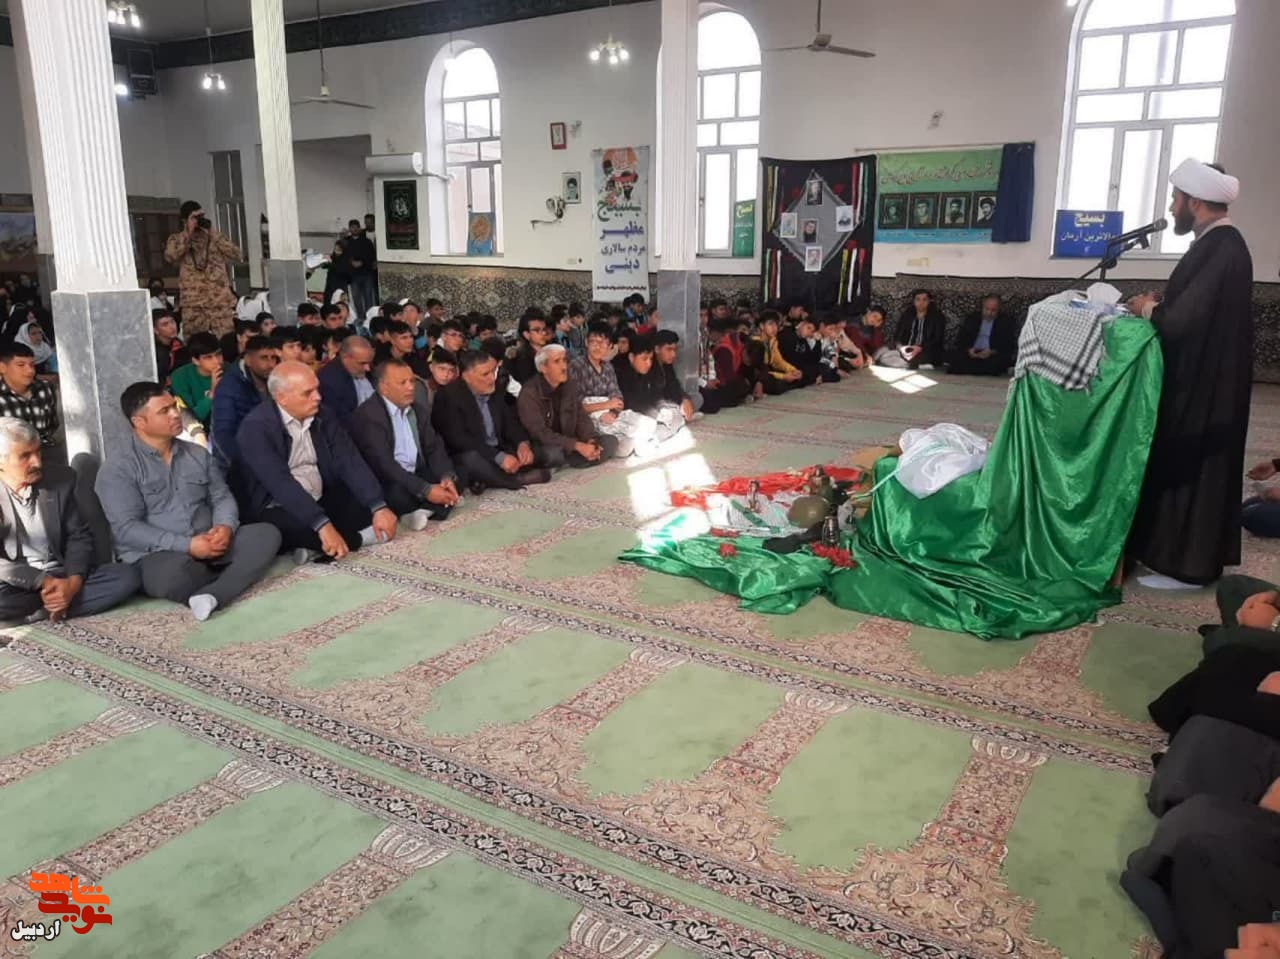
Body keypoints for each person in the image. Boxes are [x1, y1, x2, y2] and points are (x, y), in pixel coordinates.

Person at [1125, 160, 1254, 589]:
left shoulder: (1220, 247)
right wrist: (1162, 303)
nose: (1171, 207)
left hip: (1206, 387)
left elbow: (1183, 322)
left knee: (1194, 468)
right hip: (1206, 378)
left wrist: (1147, 308)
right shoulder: (1218, 244)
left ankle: (1188, 568)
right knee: (1191, 466)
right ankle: (1178, 558)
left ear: (1194, 202)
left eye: (1175, 199)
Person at [96, 384, 280, 621]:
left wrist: (224, 527)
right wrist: (188, 545)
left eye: (174, 406)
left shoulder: (197, 453)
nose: (175, 414)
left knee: (266, 534)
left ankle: (214, 593)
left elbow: (221, 497)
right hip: (159, 554)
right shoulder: (118, 468)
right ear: (139, 422)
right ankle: (229, 579)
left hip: (210, 540)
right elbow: (127, 528)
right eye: (164, 411)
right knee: (174, 576)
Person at [236, 361, 397, 562]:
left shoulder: (323, 414)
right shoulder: (255, 428)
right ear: (282, 397)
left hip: (320, 494)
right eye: (308, 393)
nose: (318, 397)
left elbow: (348, 459)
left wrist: (378, 506)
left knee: (375, 500)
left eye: (317, 389)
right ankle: (358, 539)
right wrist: (321, 524)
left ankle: (313, 547)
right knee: (294, 528)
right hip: (276, 504)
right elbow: (280, 483)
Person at [0, 417, 138, 624]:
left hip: (61, 572)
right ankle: (53, 605)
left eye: (38, 452)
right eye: (25, 456)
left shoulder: (61, 478)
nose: (37, 462)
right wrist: (41, 581)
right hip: (14, 581)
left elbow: (78, 536)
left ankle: (46, 607)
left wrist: (72, 584)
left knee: (127, 576)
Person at [349, 358, 460, 529]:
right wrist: (426, 490)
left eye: (412, 381)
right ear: (384, 387)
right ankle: (429, 507)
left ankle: (423, 510)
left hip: (416, 472)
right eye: (402, 383)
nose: (410, 387)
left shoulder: (417, 409)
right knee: (398, 495)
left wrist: (445, 477)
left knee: (457, 473)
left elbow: (433, 447)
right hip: (389, 479)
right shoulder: (369, 416)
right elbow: (384, 465)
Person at [431, 351, 550, 491]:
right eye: (485, 374)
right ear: (466, 377)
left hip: (498, 448)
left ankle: (486, 479)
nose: (492, 378)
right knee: (471, 460)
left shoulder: (495, 388)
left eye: (493, 372)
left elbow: (510, 423)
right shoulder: (448, 396)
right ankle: (513, 480)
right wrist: (498, 457)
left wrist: (522, 444)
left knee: (552, 454)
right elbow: (458, 440)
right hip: (471, 453)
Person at [517, 344, 621, 468]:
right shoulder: (529, 393)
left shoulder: (569, 384)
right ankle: (579, 457)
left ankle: (583, 456)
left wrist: (591, 440)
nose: (564, 366)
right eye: (557, 361)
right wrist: (577, 446)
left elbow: (580, 415)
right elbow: (540, 433)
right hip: (546, 443)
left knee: (611, 441)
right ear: (543, 368)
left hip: (570, 439)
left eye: (565, 360)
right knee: (554, 454)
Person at [164, 200, 242, 337]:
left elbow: (237, 254)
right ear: (185, 220)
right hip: (194, 304)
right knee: (196, 342)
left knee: (226, 340)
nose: (199, 220)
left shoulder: (214, 238)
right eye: (195, 217)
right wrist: (188, 234)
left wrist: (213, 233)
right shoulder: (177, 239)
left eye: (202, 216)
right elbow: (171, 256)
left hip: (219, 302)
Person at [210, 335, 280, 469]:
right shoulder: (229, 387)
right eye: (264, 358)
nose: (271, 364)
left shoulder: (275, 380)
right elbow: (223, 435)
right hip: (235, 463)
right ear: (248, 360)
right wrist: (245, 466)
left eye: (273, 358)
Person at [615, 336, 683, 445]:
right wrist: (655, 414)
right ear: (631, 357)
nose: (649, 363)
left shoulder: (647, 372)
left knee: (675, 416)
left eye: (651, 359)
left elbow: (655, 396)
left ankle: (652, 437)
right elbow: (629, 403)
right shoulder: (621, 374)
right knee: (650, 426)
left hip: (651, 414)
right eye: (644, 359)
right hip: (631, 417)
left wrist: (662, 407)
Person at [0, 343, 59, 448]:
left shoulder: (45, 388)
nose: (30, 371)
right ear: (2, 367)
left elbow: (53, 424)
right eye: (21, 365)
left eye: (32, 365)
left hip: (45, 448)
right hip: (11, 455)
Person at [946, 294, 1017, 376]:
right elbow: (960, 340)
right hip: (972, 353)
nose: (989, 313)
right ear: (982, 308)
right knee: (953, 356)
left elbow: (1008, 345)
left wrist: (992, 351)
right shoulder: (972, 318)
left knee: (998, 363)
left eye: (993, 310)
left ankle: (974, 369)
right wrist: (969, 350)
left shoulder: (1006, 322)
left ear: (999, 310)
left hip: (991, 355)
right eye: (987, 309)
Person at [317, 335, 376, 424]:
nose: (367, 368)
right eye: (362, 363)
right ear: (345, 358)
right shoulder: (329, 381)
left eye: (369, 363)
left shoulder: (367, 372)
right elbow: (340, 421)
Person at [169, 332, 223, 428]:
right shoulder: (180, 377)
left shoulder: (229, 370)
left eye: (218, 354)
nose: (217, 361)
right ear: (195, 361)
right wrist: (212, 394)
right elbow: (190, 419)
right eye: (208, 357)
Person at [890, 289, 947, 369]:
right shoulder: (907, 315)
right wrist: (901, 347)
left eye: (924, 300)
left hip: (925, 350)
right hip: (907, 348)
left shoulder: (937, 317)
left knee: (929, 356)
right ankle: (916, 365)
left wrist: (919, 348)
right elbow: (898, 334)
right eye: (918, 299)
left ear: (929, 301)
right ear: (914, 301)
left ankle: (910, 364)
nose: (921, 303)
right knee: (886, 354)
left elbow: (937, 339)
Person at [652, 331, 696, 422]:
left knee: (697, 398)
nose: (673, 354)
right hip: (656, 405)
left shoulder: (667, 365)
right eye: (669, 349)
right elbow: (653, 397)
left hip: (669, 402)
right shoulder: (648, 365)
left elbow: (674, 385)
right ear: (657, 349)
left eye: (675, 350)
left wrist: (684, 398)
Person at [756, 311, 803, 393]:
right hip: (758, 374)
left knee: (796, 378)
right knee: (778, 384)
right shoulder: (756, 342)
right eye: (770, 324)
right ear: (762, 326)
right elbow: (760, 370)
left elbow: (778, 362)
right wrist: (783, 376)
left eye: (776, 325)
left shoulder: (773, 341)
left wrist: (793, 370)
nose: (774, 328)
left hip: (768, 372)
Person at [343, 219, 378, 318]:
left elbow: (371, 256)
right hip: (353, 275)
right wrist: (351, 262)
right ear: (349, 229)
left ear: (359, 228)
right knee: (356, 298)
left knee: (368, 297)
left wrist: (362, 262)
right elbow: (344, 256)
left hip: (366, 273)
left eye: (356, 227)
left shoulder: (367, 241)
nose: (354, 229)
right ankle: (361, 317)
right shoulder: (346, 242)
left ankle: (369, 317)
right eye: (352, 227)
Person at [507, 309, 552, 385]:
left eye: (544, 329)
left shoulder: (552, 351)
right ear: (526, 334)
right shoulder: (523, 359)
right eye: (537, 330)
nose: (543, 333)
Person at [779, 316, 825, 385]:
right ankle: (812, 379)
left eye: (812, 331)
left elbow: (813, 359)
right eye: (808, 328)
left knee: (821, 367)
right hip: (786, 367)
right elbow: (790, 359)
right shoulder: (788, 335)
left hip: (799, 369)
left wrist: (818, 342)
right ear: (802, 323)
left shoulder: (803, 340)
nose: (808, 332)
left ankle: (811, 378)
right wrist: (809, 373)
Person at [153, 309, 188, 385]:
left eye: (172, 322)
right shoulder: (153, 351)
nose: (172, 327)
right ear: (155, 330)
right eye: (165, 324)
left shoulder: (179, 345)